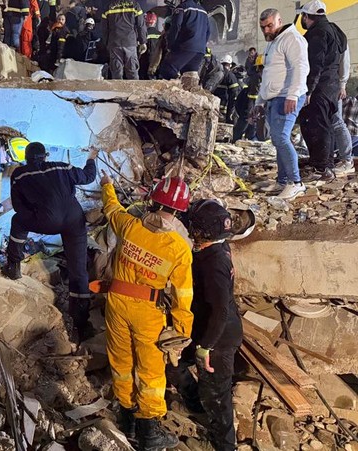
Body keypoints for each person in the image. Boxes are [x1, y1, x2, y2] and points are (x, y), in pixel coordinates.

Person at [100, 172, 193, 451]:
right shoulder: (178, 248)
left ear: (152, 200)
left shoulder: (130, 226)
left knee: (121, 362)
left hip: (116, 304)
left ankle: (126, 417)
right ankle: (149, 431)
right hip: (148, 311)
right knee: (151, 371)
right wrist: (180, 331)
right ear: (178, 210)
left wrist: (107, 186)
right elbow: (182, 294)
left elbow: (111, 208)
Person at [1, 142, 96, 336]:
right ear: (45, 155)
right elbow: (88, 176)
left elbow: (19, 207)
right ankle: (81, 323)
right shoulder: (62, 166)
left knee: (18, 221)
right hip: (74, 220)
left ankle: (13, 266)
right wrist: (92, 158)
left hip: (46, 221)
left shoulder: (20, 174)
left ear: (26, 158)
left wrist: (37, 214)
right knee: (78, 269)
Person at [184, 199, 243, 451]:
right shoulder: (217, 247)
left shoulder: (214, 263)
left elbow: (220, 310)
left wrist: (205, 347)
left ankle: (225, 445)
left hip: (218, 337)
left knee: (217, 394)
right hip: (204, 326)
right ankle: (196, 403)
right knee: (174, 365)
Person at [250, 9, 309, 200]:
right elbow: (268, 75)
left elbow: (300, 67)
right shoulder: (274, 42)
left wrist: (292, 95)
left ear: (279, 21)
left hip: (287, 96)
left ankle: (296, 183)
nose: (266, 30)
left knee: (281, 137)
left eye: (270, 25)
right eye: (263, 27)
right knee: (278, 139)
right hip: (275, 97)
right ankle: (283, 181)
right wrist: (260, 101)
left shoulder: (292, 38)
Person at [298, 0, 347, 183]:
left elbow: (315, 64)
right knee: (326, 126)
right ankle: (326, 165)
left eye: (303, 16)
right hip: (332, 86)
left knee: (316, 126)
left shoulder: (317, 33)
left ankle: (321, 168)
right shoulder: (335, 30)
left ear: (307, 16)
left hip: (319, 87)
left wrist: (308, 90)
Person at [157, 0, 210, 80]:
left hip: (186, 47)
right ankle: (189, 91)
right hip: (200, 51)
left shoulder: (182, 8)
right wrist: (202, 45)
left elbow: (176, 27)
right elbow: (208, 31)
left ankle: (175, 86)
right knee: (189, 76)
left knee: (167, 70)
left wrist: (170, 45)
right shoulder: (204, 11)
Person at [100, 0, 146, 79]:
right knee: (132, 72)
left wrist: (106, 43)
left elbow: (104, 28)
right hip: (130, 42)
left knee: (116, 72)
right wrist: (143, 42)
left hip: (114, 43)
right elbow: (141, 25)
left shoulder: (108, 7)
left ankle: (118, 91)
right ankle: (133, 90)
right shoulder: (134, 5)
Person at [332, 44, 354, 176]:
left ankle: (347, 160)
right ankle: (343, 159)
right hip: (327, 85)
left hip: (333, 85)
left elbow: (344, 62)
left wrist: (342, 84)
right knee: (331, 123)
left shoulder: (337, 37)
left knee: (337, 122)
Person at [214, 55, 241, 124]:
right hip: (224, 105)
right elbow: (234, 93)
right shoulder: (230, 76)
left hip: (213, 104)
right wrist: (231, 110)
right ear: (230, 65)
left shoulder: (215, 73)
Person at [139, 11, 161, 80]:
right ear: (155, 22)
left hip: (144, 66)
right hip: (157, 66)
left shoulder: (142, 35)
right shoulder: (160, 34)